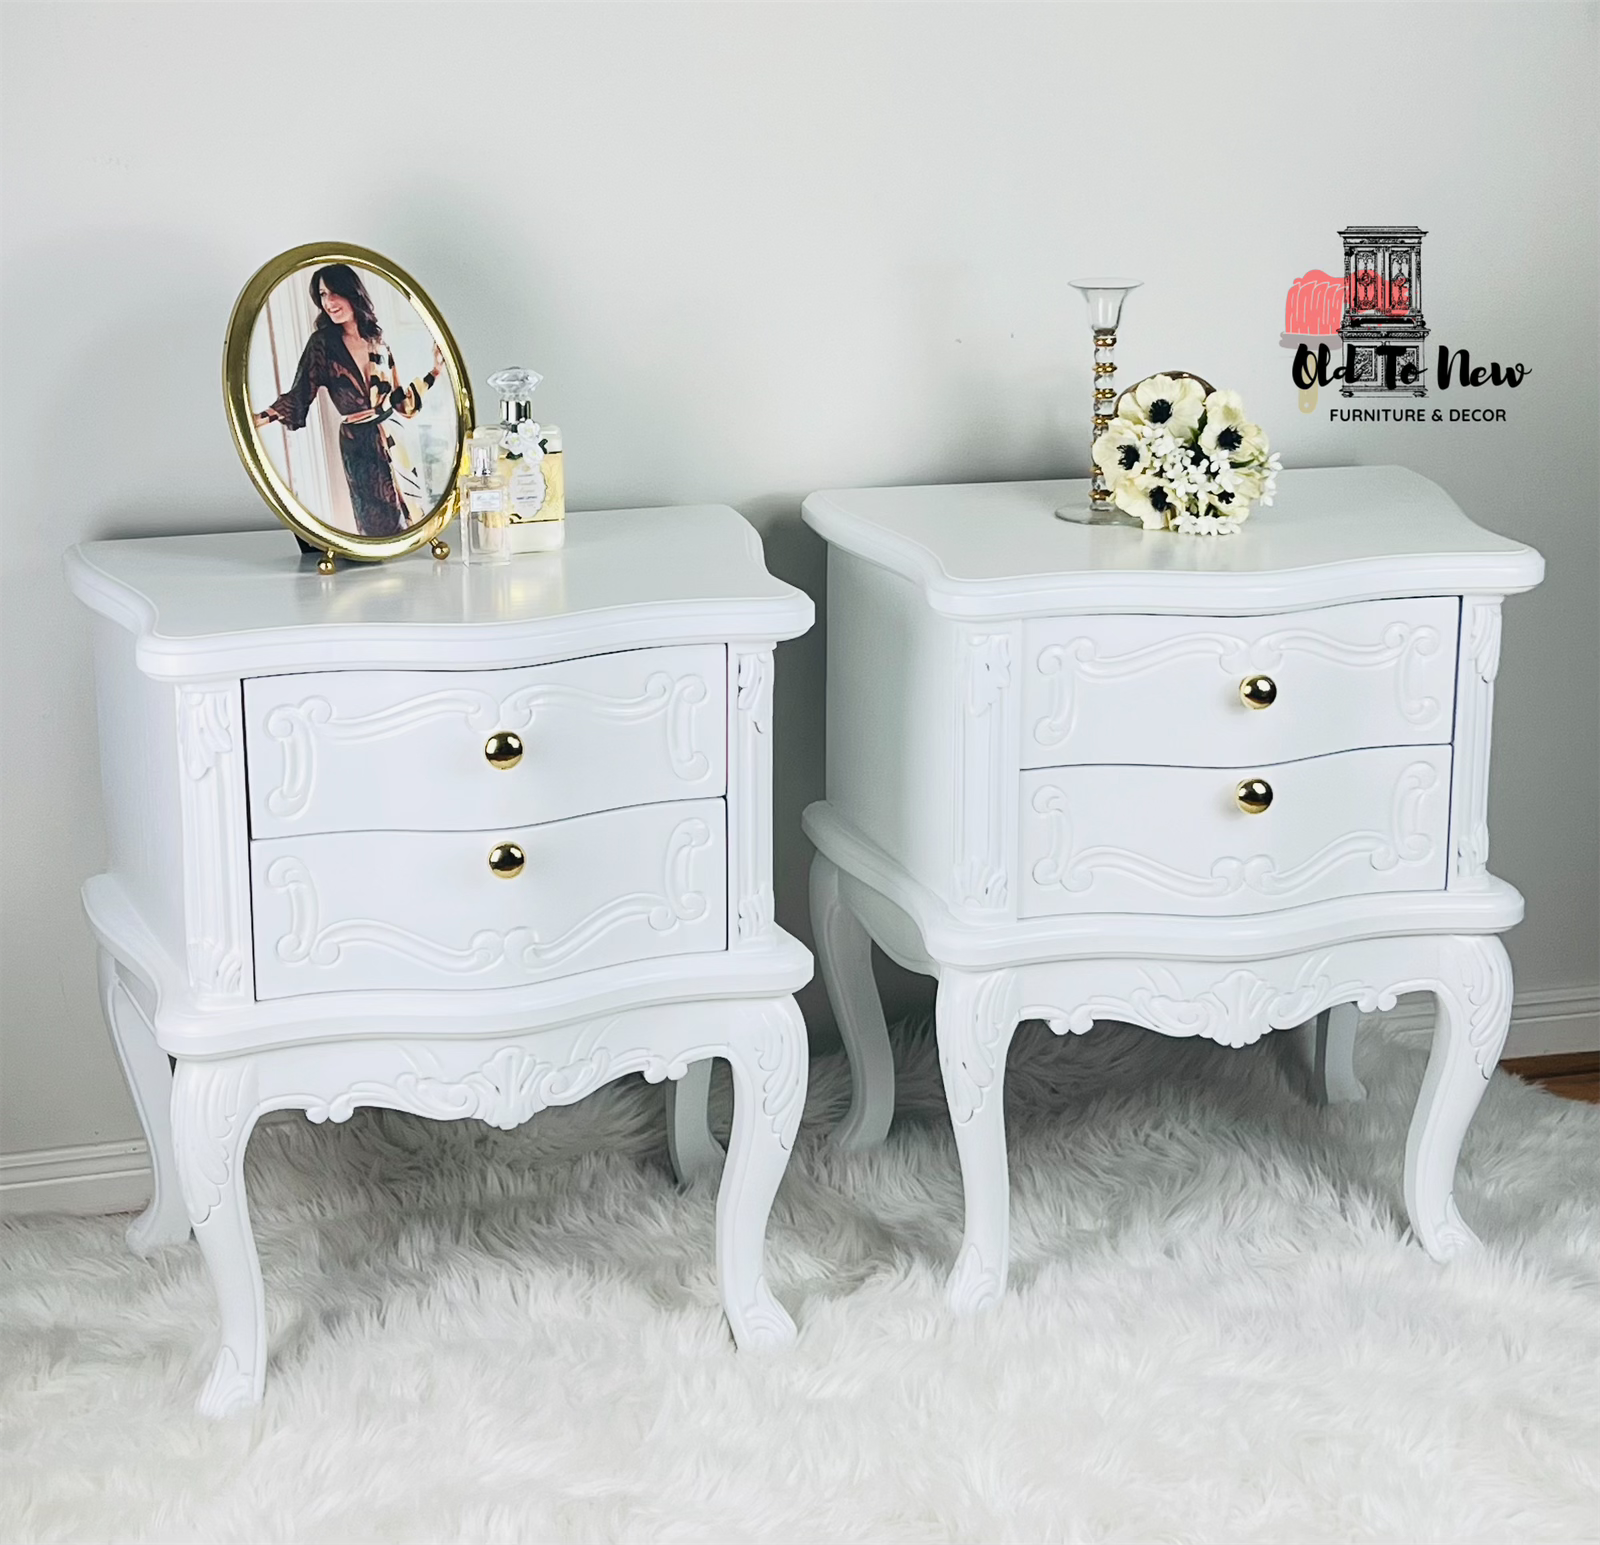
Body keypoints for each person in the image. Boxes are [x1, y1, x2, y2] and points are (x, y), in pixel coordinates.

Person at [255, 264, 446, 537]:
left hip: (394, 438)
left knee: (410, 511)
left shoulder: (377, 341)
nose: (328, 302)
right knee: (376, 518)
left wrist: (435, 371)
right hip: (358, 443)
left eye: (335, 293)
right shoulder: (321, 344)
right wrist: (256, 420)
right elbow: (299, 394)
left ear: (352, 293)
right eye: (322, 295)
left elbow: (401, 403)